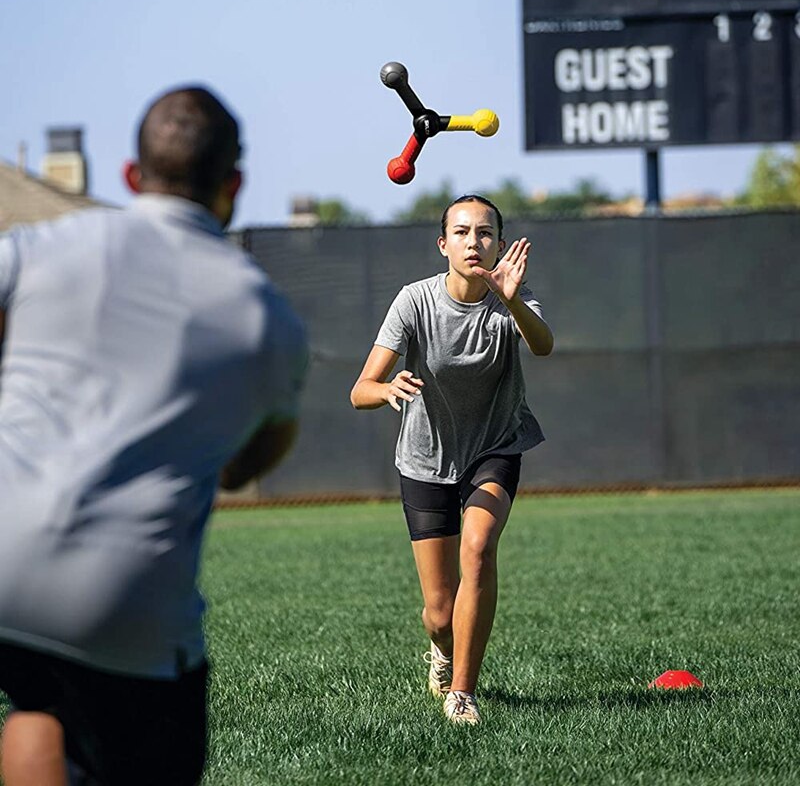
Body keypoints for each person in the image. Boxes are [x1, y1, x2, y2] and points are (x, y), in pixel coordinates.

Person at [0, 85, 308, 784]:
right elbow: (247, 464)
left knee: (40, 705)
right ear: (234, 187)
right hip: (125, 600)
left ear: (131, 176)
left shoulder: (41, 246)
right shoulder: (267, 318)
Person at [350, 195, 553, 725]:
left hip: (494, 447)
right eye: (461, 233)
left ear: (500, 246)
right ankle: (441, 650)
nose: (473, 242)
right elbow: (360, 390)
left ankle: (462, 692)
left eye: (485, 233)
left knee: (479, 548)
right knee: (440, 612)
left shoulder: (513, 298)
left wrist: (511, 301)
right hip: (425, 460)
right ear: (443, 244)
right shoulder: (414, 302)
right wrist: (387, 386)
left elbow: (544, 345)